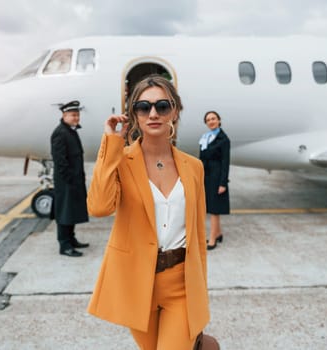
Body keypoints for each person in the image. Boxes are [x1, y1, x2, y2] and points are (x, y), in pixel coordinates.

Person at [87, 75, 210, 349]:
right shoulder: (121, 161)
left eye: (162, 106)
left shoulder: (194, 167)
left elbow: (199, 237)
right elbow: (98, 207)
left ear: (175, 111)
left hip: (181, 285)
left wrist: (201, 292)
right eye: (143, 107)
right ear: (134, 115)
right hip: (135, 283)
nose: (153, 113)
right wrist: (110, 145)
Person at [50, 100, 89, 257]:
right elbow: (60, 161)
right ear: (64, 115)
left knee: (72, 211)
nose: (76, 118)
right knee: (65, 213)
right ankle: (64, 245)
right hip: (66, 182)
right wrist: (70, 179)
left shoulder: (71, 131)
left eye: (77, 115)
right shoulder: (60, 133)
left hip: (74, 180)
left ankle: (71, 239)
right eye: (72, 115)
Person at [199, 111, 230, 250]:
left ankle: (212, 238)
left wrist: (223, 182)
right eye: (208, 120)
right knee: (211, 206)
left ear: (219, 120)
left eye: (213, 118)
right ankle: (218, 233)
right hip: (207, 176)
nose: (211, 121)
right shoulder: (205, 138)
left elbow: (225, 162)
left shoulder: (223, 139)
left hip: (217, 177)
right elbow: (202, 158)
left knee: (214, 209)